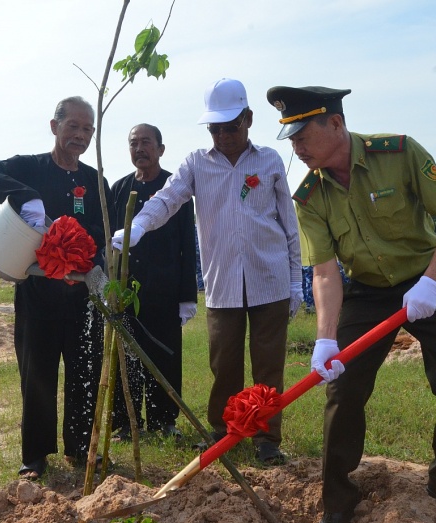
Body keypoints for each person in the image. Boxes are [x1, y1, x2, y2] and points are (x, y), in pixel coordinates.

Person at [265, 84, 436, 523]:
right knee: (343, 393)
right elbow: (324, 271)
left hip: (428, 281)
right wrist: (325, 339)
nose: (296, 148)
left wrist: (430, 282)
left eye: (302, 135)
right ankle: (336, 506)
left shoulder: (399, 154)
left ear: (336, 125)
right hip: (366, 291)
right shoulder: (310, 195)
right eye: (292, 139)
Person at [113, 78, 303, 465]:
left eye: (230, 127)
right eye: (215, 129)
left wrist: (297, 281)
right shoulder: (197, 164)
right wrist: (138, 226)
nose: (223, 136)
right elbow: (167, 199)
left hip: (270, 281)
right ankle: (224, 433)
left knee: (268, 367)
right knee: (224, 365)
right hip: (223, 284)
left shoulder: (269, 161)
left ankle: (267, 440)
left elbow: (288, 224)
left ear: (248, 119)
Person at [0, 96, 108, 480]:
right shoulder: (29, 167)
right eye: (73, 127)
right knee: (37, 375)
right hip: (37, 294)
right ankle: (34, 456)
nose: (80, 136)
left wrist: (80, 251)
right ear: (55, 126)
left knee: (84, 370)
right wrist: (25, 194)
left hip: (80, 295)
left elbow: (104, 229)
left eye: (87, 129)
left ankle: (83, 447)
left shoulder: (93, 180)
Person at [110, 124, 198, 442]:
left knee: (165, 356)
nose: (140, 149)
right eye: (133, 143)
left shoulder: (174, 189)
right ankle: (126, 421)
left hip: (165, 291)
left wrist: (188, 295)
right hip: (125, 292)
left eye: (146, 142)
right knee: (126, 358)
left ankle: (164, 420)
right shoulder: (119, 188)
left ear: (161, 149)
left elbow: (189, 244)